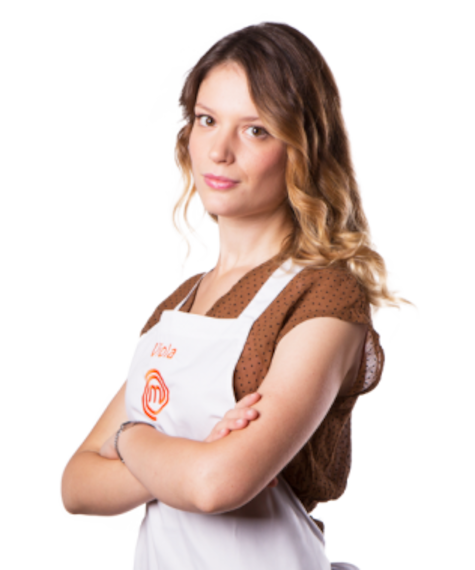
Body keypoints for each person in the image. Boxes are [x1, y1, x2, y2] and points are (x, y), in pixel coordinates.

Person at [61, 20, 421, 569]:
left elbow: (216, 485)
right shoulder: (177, 306)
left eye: (255, 130)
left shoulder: (324, 296)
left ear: (302, 147)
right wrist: (187, 460)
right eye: (207, 120)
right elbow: (77, 486)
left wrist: (132, 439)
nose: (219, 151)